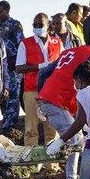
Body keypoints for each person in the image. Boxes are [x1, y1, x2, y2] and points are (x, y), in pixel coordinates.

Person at [37, 34, 90, 179]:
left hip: (50, 99)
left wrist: (40, 98)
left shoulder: (69, 52)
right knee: (76, 139)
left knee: (75, 138)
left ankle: (70, 174)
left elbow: (43, 74)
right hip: (57, 101)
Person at [15, 13, 63, 147]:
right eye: (34, 25)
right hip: (32, 89)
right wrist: (39, 66)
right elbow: (19, 68)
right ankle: (31, 163)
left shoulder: (57, 42)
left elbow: (63, 64)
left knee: (52, 129)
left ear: (48, 26)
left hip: (52, 91)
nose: (37, 27)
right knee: (31, 128)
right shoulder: (26, 43)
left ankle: (51, 165)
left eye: (40, 25)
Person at [0, 0, 24, 135]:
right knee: (3, 97)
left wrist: (17, 62)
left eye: (1, 11)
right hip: (3, 69)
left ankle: (11, 125)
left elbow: (21, 45)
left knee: (13, 96)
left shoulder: (14, 25)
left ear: (7, 11)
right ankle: (6, 123)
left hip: (13, 67)